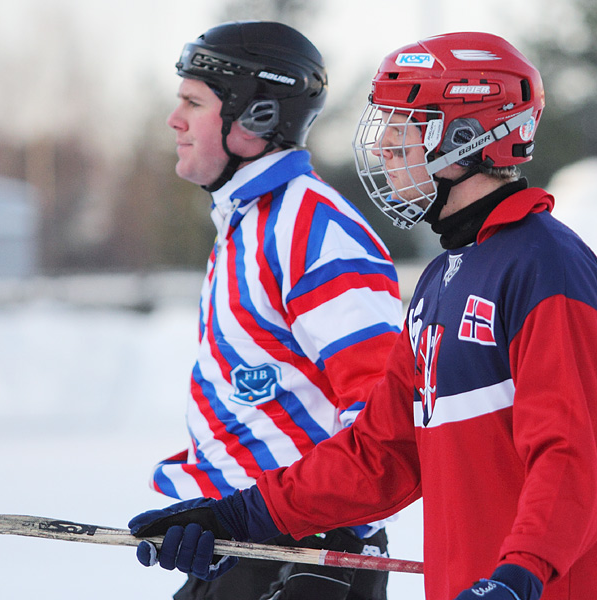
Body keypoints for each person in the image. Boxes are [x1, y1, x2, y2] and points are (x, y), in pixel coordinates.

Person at [131, 31, 597, 600]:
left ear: (466, 138)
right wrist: (236, 517)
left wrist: (518, 575)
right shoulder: (439, 284)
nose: (384, 150)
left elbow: (573, 458)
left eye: (402, 129)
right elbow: (378, 456)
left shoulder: (545, 266)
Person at [135, 20, 404, 600]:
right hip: (243, 544)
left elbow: (384, 415)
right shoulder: (248, 225)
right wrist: (209, 503)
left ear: (254, 118)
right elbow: (261, 412)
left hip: (301, 560)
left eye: (192, 102)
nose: (173, 120)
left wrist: (336, 550)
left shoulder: (313, 229)